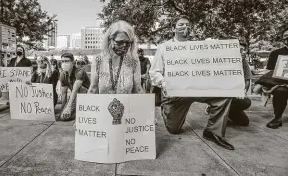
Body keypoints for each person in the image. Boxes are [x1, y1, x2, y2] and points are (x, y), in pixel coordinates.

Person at [149, 15, 234, 150]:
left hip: (196, 88)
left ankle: (213, 131)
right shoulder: (164, 47)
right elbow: (154, 73)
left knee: (224, 95)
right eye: (181, 24)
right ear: (173, 29)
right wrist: (164, 83)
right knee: (174, 130)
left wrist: (214, 48)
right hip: (175, 93)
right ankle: (166, 110)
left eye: (188, 24)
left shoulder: (198, 46)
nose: (185, 27)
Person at [88, 20, 143, 94]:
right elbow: (93, 89)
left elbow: (138, 89)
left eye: (127, 42)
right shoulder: (98, 60)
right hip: (103, 104)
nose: (124, 46)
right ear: (110, 40)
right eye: (120, 42)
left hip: (127, 105)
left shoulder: (133, 60)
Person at [206, 41, 252, 126]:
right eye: (241, 50)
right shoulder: (222, 61)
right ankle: (215, 108)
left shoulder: (244, 62)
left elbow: (247, 80)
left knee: (244, 121)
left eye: (244, 50)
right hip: (222, 95)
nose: (244, 52)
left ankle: (228, 112)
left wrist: (243, 92)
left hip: (234, 97)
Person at [260, 28, 288, 129]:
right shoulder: (275, 54)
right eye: (286, 36)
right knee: (280, 90)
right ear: (283, 39)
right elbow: (270, 73)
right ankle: (278, 118)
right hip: (281, 84)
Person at [59, 52, 90, 121]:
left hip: (87, 96)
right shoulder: (62, 75)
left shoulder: (79, 72)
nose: (64, 63)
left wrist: (69, 107)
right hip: (75, 97)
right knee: (63, 117)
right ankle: (79, 112)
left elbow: (75, 89)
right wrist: (62, 110)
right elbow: (64, 94)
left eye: (66, 61)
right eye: (62, 61)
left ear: (72, 62)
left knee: (80, 88)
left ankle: (82, 113)